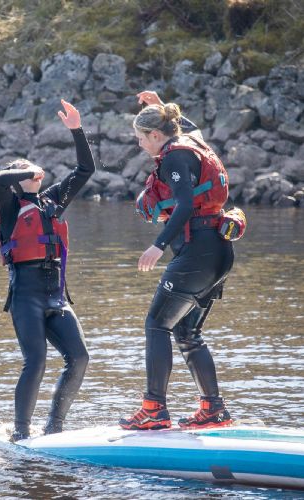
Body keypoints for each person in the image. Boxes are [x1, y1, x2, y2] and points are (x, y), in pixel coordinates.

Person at [119, 90, 235, 431]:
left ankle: (154, 409)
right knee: (187, 332)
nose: (140, 144)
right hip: (218, 252)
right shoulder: (192, 143)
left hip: (199, 252)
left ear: (156, 135)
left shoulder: (174, 157)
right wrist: (160, 104)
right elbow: (191, 128)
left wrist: (157, 246)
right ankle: (212, 409)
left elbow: (184, 205)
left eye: (141, 138)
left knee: (157, 325)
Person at [0, 99, 95, 442]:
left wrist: (77, 130)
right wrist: (26, 169)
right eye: (23, 171)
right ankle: (21, 433)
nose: (32, 172)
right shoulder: (10, 206)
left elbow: (86, 169)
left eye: (32, 169)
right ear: (18, 181)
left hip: (56, 295)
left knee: (79, 358)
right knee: (35, 361)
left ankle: (54, 427)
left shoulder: (53, 201)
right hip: (25, 296)